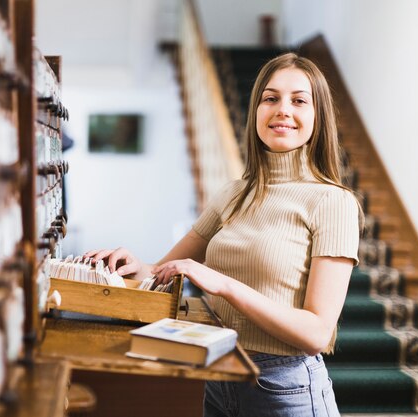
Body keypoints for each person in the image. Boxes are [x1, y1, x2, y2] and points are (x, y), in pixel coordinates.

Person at [84, 52, 361, 417]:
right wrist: (135, 265)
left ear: (317, 117)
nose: (282, 109)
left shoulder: (333, 202)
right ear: (256, 110)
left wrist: (224, 285)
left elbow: (316, 333)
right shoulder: (233, 193)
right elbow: (160, 273)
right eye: (270, 98)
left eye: (298, 100)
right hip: (220, 374)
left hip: (286, 389)